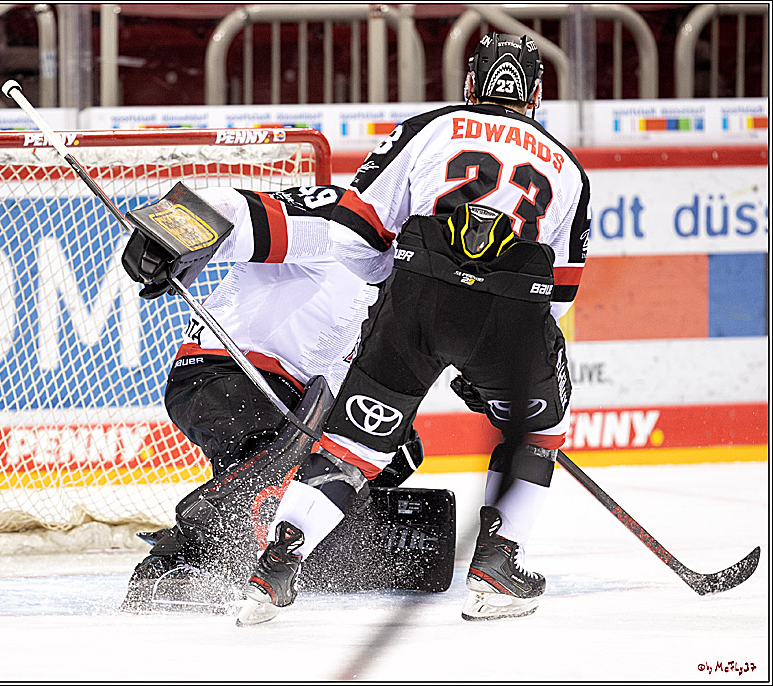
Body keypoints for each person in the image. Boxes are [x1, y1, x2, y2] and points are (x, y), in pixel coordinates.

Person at [238, 33, 592, 625]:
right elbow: (557, 295)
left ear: (471, 85)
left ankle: (275, 566)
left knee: (352, 445)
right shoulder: (569, 168)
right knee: (539, 431)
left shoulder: (431, 126)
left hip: (417, 299)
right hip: (512, 316)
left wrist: (395, 283)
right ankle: (498, 567)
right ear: (535, 94)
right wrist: (497, 374)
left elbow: (355, 233)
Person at [119, 183, 432, 613]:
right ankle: (179, 552)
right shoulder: (345, 220)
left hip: (292, 398)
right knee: (280, 453)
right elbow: (236, 211)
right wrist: (170, 234)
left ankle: (217, 560)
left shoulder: (412, 279)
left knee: (395, 453)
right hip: (229, 373)